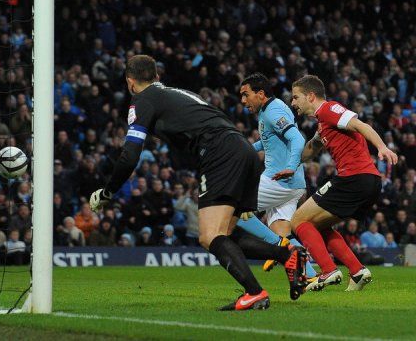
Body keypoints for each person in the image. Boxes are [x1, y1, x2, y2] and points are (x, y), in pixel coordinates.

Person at [90, 55, 307, 311]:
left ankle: (255, 292)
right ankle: (287, 254)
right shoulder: (175, 93)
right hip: (243, 152)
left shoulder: (142, 100)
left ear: (129, 82)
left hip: (219, 154)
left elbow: (129, 156)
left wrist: (108, 191)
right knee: (225, 233)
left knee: (209, 236)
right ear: (157, 77)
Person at [290, 74, 398, 291]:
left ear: (310, 96)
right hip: (366, 181)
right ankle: (357, 271)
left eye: (295, 97)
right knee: (317, 225)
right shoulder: (323, 124)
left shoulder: (329, 109)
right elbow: (310, 151)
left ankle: (328, 271)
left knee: (298, 221)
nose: (293, 103)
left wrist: (382, 147)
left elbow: (360, 125)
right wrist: (288, 161)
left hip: (354, 177)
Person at [237, 73, 317, 279]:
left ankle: (277, 248)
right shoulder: (272, 109)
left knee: (233, 207)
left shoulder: (273, 111)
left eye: (246, 95)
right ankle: (310, 274)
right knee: (281, 230)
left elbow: (297, 138)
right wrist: (244, 149)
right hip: (292, 183)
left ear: (260, 94)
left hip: (281, 180)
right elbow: (269, 141)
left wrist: (290, 166)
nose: (243, 101)